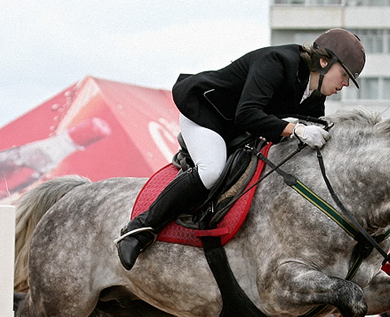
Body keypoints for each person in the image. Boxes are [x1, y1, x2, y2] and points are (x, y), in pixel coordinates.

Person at [116, 28, 366, 270]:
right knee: (211, 171)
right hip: (206, 114)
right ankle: (140, 230)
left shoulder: (314, 93)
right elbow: (247, 114)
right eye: (344, 75)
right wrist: (297, 130)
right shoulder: (276, 62)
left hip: (238, 129)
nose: (344, 84)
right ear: (324, 62)